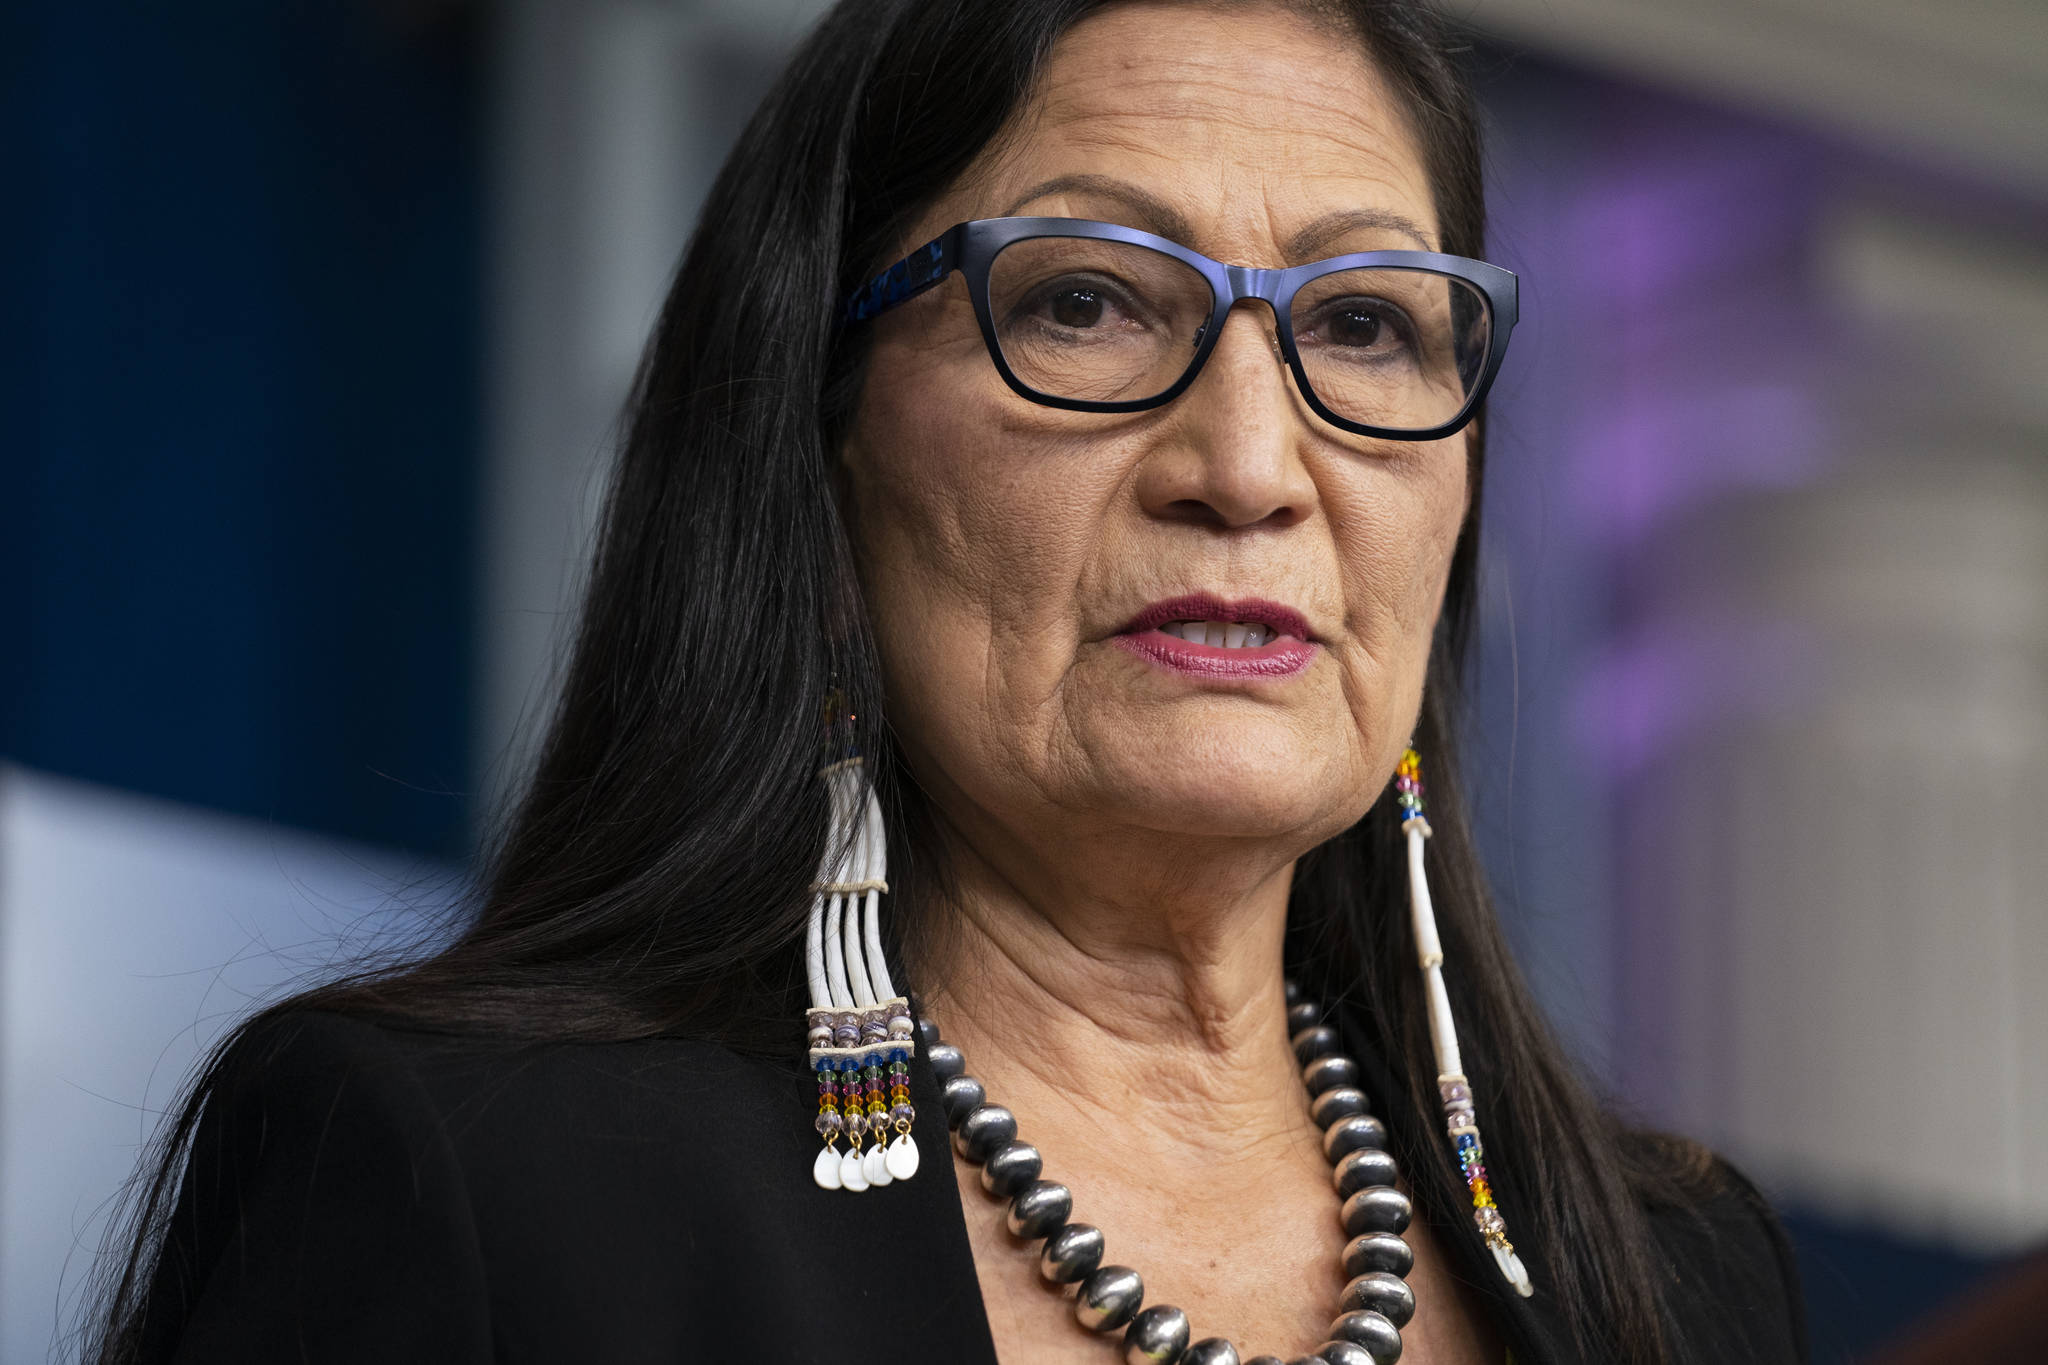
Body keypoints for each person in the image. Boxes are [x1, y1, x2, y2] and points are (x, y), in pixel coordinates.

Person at [83, 1, 1808, 1362]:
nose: (1251, 461)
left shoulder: (1676, 1281)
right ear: (821, 448)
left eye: (1363, 326)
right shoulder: (471, 1183)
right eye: (1084, 304)